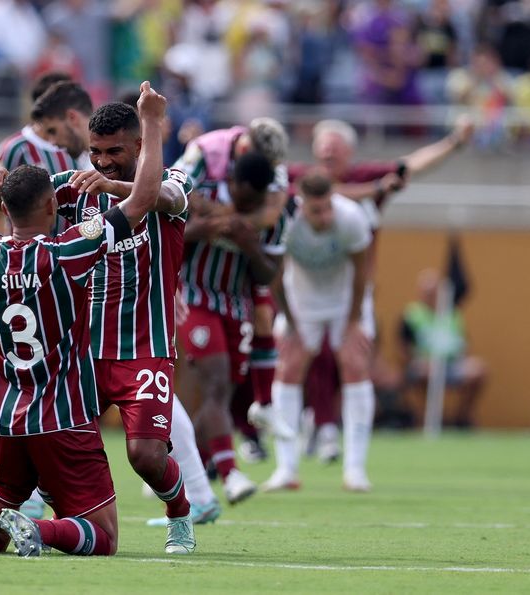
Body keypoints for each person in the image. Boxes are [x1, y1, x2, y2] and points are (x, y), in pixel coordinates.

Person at [0, 83, 186, 557]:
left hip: (4, 415)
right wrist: (154, 119)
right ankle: (40, 531)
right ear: (53, 207)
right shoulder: (68, 252)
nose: (100, 162)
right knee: (103, 537)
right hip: (62, 410)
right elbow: (142, 200)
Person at [0, 100, 204, 544]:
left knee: (146, 456)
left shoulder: (172, 179)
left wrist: (114, 185)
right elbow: (24, 204)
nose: (102, 162)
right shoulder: (77, 187)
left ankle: (180, 512)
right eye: (95, 152)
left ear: (138, 145)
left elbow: (164, 198)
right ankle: (51, 517)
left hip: (144, 346)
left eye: (113, 151)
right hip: (81, 354)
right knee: (50, 441)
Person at [286, 116, 474, 463]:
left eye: (334, 148)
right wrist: (373, 191)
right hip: (310, 284)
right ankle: (319, 424)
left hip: (355, 286)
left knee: (352, 356)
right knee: (311, 354)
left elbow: (411, 165)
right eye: (322, 148)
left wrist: (453, 142)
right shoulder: (309, 181)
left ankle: (328, 427)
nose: (327, 154)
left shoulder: (364, 174)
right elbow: (302, 190)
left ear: (349, 152)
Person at [0, 76, 93, 402]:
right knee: (41, 342)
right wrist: (5, 258)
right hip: (32, 262)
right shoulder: (15, 148)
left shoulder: (77, 152)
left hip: (66, 260)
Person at [173, 119, 291, 490]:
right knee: (216, 383)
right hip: (196, 297)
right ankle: (230, 474)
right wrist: (203, 228)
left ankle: (188, 470)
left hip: (237, 305)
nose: (247, 205)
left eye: (256, 201)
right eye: (243, 195)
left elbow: (268, 274)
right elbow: (171, 236)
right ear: (232, 181)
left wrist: (250, 245)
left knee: (223, 391)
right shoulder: (204, 185)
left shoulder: (271, 214)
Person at [264, 169, 374, 493]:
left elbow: (362, 273)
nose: (324, 216)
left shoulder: (351, 218)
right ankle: (286, 469)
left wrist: (353, 322)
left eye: (328, 208)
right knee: (288, 368)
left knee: (354, 365)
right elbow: (274, 273)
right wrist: (290, 322)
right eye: (316, 210)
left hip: (346, 301)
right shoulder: (285, 220)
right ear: (302, 204)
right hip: (302, 302)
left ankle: (355, 470)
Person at [400, 268, 487, 428]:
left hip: (451, 365)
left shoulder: (452, 314)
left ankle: (461, 418)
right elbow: (404, 349)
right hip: (424, 366)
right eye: (427, 292)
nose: (431, 296)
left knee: (478, 370)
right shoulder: (412, 315)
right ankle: (430, 418)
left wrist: (463, 360)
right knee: (425, 372)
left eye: (434, 292)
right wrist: (418, 361)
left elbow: (463, 344)